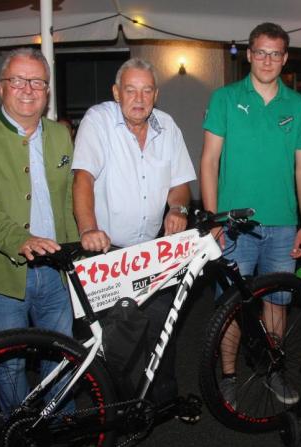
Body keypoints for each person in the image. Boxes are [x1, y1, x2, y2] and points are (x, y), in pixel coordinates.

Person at [0, 47, 78, 415]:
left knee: (61, 356)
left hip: (55, 271)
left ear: (47, 89)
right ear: (0, 87)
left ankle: (62, 429)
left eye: (37, 81)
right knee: (8, 364)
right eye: (18, 80)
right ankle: (19, 432)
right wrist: (19, 240)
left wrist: (78, 252)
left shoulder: (60, 135)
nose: (28, 89)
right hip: (2, 273)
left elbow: (70, 196)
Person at [200, 22, 301, 407]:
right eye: (260, 52)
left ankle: (271, 371)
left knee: (277, 304)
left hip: (284, 226)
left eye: (275, 53)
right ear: (249, 54)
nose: (267, 59)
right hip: (235, 228)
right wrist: (214, 221)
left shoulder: (299, 106)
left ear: (285, 58)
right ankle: (230, 377)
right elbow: (209, 160)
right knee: (230, 308)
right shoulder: (225, 98)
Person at [71, 58, 196, 405]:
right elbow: (82, 178)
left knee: (163, 325)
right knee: (117, 338)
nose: (138, 99)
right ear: (116, 92)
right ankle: (113, 409)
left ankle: (161, 401)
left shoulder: (167, 126)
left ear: (155, 94)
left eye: (146, 90)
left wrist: (178, 209)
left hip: (151, 251)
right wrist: (88, 229)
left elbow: (181, 184)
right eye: (130, 90)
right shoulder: (99, 121)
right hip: (108, 251)